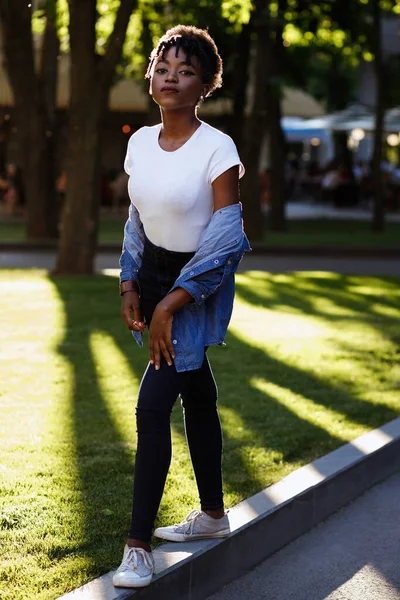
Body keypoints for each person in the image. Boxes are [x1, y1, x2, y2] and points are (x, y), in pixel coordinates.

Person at [112, 25, 250, 589]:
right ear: (152, 76)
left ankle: (138, 545)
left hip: (197, 283)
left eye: (186, 71)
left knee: (152, 407)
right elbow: (136, 219)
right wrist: (129, 284)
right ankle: (213, 517)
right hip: (153, 278)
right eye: (164, 67)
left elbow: (227, 236)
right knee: (198, 392)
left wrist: (171, 304)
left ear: (204, 85)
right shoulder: (139, 142)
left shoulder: (218, 147)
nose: (171, 78)